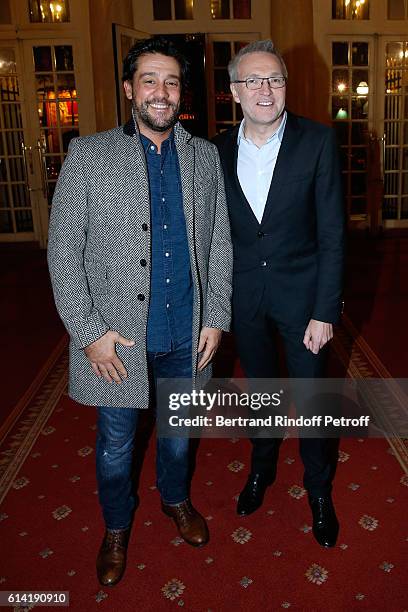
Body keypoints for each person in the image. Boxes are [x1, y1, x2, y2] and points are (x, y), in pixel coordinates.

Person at [48, 37, 232, 587]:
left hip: (186, 329)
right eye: (149, 79)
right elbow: (63, 252)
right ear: (129, 89)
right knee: (116, 444)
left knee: (178, 431)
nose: (161, 91)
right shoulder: (88, 155)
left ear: (183, 93)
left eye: (171, 81)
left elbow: (219, 241)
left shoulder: (204, 156)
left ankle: (175, 500)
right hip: (116, 341)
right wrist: (88, 333)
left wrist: (216, 315)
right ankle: (116, 527)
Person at [213, 40, 345, 548]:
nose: (264, 90)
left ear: (285, 86)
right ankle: (261, 469)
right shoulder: (215, 150)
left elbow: (333, 234)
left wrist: (324, 309)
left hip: (304, 302)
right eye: (253, 80)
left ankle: (318, 491)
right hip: (244, 299)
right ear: (234, 91)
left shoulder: (317, 141)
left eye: (274, 79)